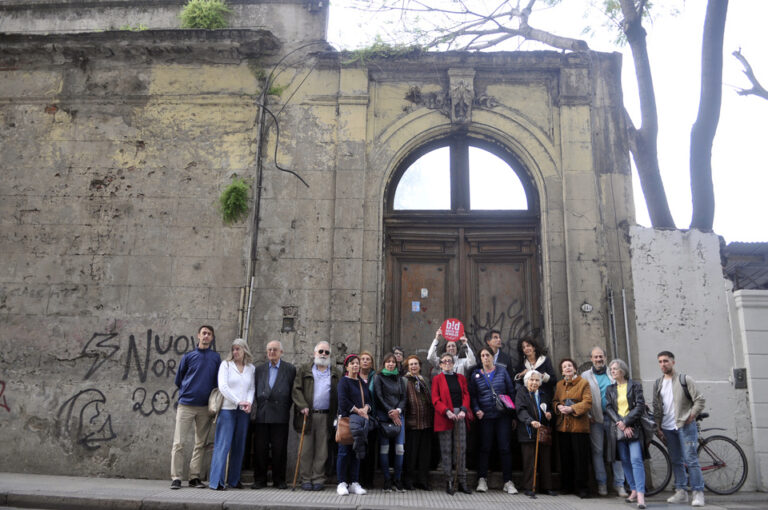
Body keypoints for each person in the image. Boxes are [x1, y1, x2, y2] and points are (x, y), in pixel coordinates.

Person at [653, 351, 707, 507]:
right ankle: (681, 492)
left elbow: (700, 400)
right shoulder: (658, 383)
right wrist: (658, 427)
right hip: (668, 428)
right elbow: (657, 407)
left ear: (673, 362)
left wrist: (691, 415)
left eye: (666, 361)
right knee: (676, 461)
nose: (663, 364)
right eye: (660, 361)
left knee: (691, 460)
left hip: (685, 426)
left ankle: (698, 493)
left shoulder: (684, 379)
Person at [170, 325, 221, 489]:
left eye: (209, 334)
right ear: (198, 335)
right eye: (203, 333)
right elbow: (179, 380)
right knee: (179, 443)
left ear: (212, 338)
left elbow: (217, 382)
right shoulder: (188, 356)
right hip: (186, 405)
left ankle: (194, 477)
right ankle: (176, 477)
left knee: (200, 444)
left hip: (205, 407)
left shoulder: (215, 358)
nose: (206, 336)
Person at [469, 347, 518, 495]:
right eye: (482, 355)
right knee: (485, 448)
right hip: (485, 417)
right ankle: (482, 479)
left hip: (502, 416)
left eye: (488, 355)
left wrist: (513, 415)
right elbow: (473, 395)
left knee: (504, 448)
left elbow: (511, 391)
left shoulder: (502, 371)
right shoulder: (475, 374)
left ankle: (508, 481)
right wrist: (477, 409)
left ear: (492, 357)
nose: (485, 358)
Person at [208, 338, 255, 490]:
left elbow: (251, 388)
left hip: (243, 412)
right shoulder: (226, 365)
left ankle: (234, 480)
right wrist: (238, 401)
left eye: (238, 349)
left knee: (239, 446)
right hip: (227, 410)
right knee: (223, 445)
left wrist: (248, 402)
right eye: (233, 349)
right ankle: (217, 481)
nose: (235, 352)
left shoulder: (251, 368)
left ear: (244, 350)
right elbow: (223, 387)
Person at [292, 341, 338, 491]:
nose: (323, 355)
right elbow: (296, 389)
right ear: (314, 353)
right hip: (307, 414)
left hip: (326, 416)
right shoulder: (305, 370)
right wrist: (302, 405)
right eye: (321, 352)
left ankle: (318, 478)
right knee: (305, 449)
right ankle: (305, 479)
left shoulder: (336, 372)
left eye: (326, 352)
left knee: (322, 450)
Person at [582, 346, 627, 497]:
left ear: (605, 358)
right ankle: (602, 483)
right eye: (596, 357)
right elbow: (582, 397)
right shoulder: (585, 375)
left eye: (601, 356)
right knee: (598, 451)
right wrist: (588, 415)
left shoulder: (613, 372)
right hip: (595, 418)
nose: (599, 359)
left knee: (616, 450)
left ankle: (619, 484)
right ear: (591, 359)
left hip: (614, 418)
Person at [251, 340, 296, 490]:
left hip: (280, 415)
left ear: (281, 352)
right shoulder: (259, 370)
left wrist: (284, 407)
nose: (271, 352)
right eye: (269, 350)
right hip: (262, 414)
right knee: (260, 449)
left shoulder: (289, 369)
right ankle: (260, 479)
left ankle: (279, 480)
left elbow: (292, 393)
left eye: (275, 350)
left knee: (279, 449)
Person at [605, 359, 648, 509]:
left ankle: (641, 496)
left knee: (636, 459)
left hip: (634, 428)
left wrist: (627, 422)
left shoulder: (635, 385)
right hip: (619, 429)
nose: (612, 371)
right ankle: (633, 489)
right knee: (624, 460)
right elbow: (609, 408)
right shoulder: (610, 389)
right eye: (611, 369)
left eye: (615, 369)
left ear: (622, 370)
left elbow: (640, 406)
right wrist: (621, 423)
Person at [431, 352, 473, 495]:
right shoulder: (437, 379)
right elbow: (435, 399)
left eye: (450, 361)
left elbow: (466, 394)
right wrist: (447, 411)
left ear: (453, 363)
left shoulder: (460, 377)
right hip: (444, 415)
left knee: (460, 448)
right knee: (446, 449)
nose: (447, 363)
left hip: (460, 414)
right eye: (444, 361)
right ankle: (449, 481)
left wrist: (463, 410)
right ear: (440, 364)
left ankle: (462, 480)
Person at [552, 357, 592, 498]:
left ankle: (582, 488)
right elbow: (555, 400)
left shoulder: (583, 383)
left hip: (579, 427)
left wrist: (572, 408)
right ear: (562, 371)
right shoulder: (559, 385)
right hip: (563, 427)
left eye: (570, 366)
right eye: (564, 367)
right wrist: (559, 406)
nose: (567, 368)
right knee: (565, 458)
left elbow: (587, 402)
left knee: (580, 459)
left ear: (575, 368)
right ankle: (567, 486)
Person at [514, 370, 555, 497]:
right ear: (526, 381)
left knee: (545, 459)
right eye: (531, 380)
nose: (534, 382)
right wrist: (530, 421)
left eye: (537, 380)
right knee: (529, 460)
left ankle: (546, 487)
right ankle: (529, 487)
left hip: (542, 431)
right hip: (529, 431)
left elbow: (547, 408)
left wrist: (549, 414)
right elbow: (521, 410)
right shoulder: (522, 393)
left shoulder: (543, 394)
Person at [336, 354, 370, 496]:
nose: (355, 365)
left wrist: (366, 409)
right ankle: (342, 482)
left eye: (357, 363)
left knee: (357, 452)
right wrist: (358, 410)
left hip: (360, 422)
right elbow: (343, 401)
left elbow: (369, 400)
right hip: (347, 421)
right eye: (352, 363)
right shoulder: (343, 382)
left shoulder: (362, 383)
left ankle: (354, 482)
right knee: (344, 452)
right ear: (347, 366)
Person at [373, 352, 407, 492]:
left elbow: (404, 397)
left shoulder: (400, 378)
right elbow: (379, 397)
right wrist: (391, 412)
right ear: (384, 363)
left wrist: (398, 411)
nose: (391, 364)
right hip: (384, 417)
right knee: (384, 449)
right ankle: (387, 479)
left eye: (393, 362)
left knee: (400, 449)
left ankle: (397, 480)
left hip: (399, 416)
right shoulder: (378, 377)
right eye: (388, 361)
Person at [402, 355, 433, 491]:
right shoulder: (404, 380)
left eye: (415, 364)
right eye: (411, 364)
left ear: (420, 366)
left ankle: (423, 481)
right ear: (408, 367)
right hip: (411, 423)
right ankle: (408, 481)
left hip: (426, 422)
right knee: (410, 454)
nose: (413, 366)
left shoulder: (425, 380)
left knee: (424, 454)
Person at [358, 351, 378, 487]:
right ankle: (357, 479)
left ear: (371, 363)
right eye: (363, 359)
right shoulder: (353, 376)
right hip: (356, 416)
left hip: (371, 416)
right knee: (358, 448)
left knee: (370, 449)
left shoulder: (376, 377)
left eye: (368, 359)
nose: (365, 361)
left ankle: (368, 480)